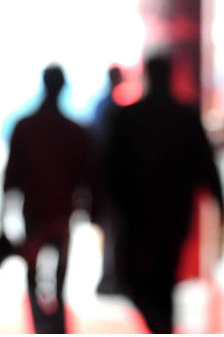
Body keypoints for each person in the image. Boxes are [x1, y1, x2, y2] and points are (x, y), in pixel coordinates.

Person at [105, 54, 224, 333]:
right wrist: (221, 206)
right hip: (173, 215)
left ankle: (160, 327)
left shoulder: (130, 117)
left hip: (139, 217)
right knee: (164, 279)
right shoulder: (184, 117)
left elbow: (111, 170)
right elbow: (207, 167)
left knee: (141, 281)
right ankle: (162, 327)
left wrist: (113, 208)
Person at [0, 65, 92, 333]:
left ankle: (41, 325)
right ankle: (54, 325)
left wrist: (2, 219)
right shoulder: (74, 131)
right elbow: (87, 176)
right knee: (59, 277)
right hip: (61, 213)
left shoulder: (25, 127)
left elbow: (11, 176)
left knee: (33, 272)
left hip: (35, 211)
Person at [89, 66, 123, 295]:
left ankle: (109, 277)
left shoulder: (103, 107)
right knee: (112, 231)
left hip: (104, 177)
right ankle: (109, 278)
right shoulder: (110, 108)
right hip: (110, 178)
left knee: (109, 230)